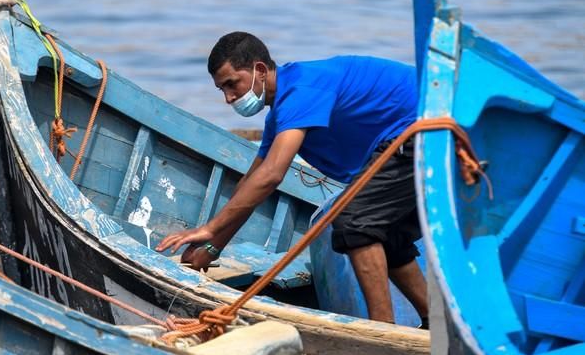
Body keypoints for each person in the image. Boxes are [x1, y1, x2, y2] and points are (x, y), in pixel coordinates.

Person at [156, 31, 428, 327]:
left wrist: (210, 229)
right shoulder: (279, 115)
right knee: (386, 235)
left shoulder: (302, 89)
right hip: (403, 140)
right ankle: (432, 323)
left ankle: (383, 332)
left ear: (259, 70)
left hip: (426, 128)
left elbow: (272, 175)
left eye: (232, 84)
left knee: (354, 223)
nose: (229, 98)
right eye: (222, 90)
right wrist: (212, 247)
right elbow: (252, 181)